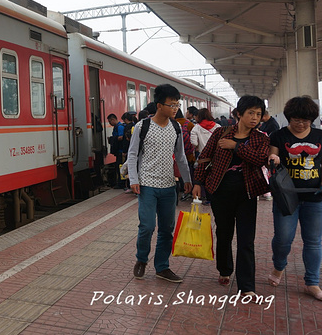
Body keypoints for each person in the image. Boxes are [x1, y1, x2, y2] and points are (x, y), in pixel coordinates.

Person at [192, 96, 269, 296]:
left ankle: (247, 287)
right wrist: (198, 182)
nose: (255, 118)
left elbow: (260, 159)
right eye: (251, 113)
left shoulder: (261, 138)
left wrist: (236, 146)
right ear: (239, 114)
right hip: (220, 191)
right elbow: (204, 157)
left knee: (246, 240)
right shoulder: (221, 132)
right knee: (224, 233)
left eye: (258, 114)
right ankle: (225, 269)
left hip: (247, 194)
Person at [127, 84, 192, 283]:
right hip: (147, 185)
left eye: (177, 105)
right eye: (171, 105)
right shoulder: (142, 126)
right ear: (159, 105)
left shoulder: (176, 127)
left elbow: (180, 156)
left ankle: (162, 267)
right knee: (147, 226)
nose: (175, 108)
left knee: (166, 229)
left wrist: (187, 179)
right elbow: (132, 154)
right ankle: (141, 259)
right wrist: (133, 179)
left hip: (169, 186)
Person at [267, 96, 322, 300]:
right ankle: (279, 266)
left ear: (312, 120)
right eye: (296, 120)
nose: (301, 124)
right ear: (289, 118)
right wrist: (273, 159)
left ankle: (312, 282)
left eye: (305, 121)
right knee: (283, 239)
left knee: (314, 241)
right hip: (286, 196)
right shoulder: (278, 135)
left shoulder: (320, 135)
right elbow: (271, 158)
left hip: (315, 196)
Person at [108, 113, 126, 189]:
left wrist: (112, 139)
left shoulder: (120, 127)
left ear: (113, 119)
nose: (110, 123)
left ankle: (122, 183)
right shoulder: (116, 127)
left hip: (121, 151)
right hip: (118, 151)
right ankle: (120, 182)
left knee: (120, 167)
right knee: (119, 167)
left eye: (110, 121)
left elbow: (121, 137)